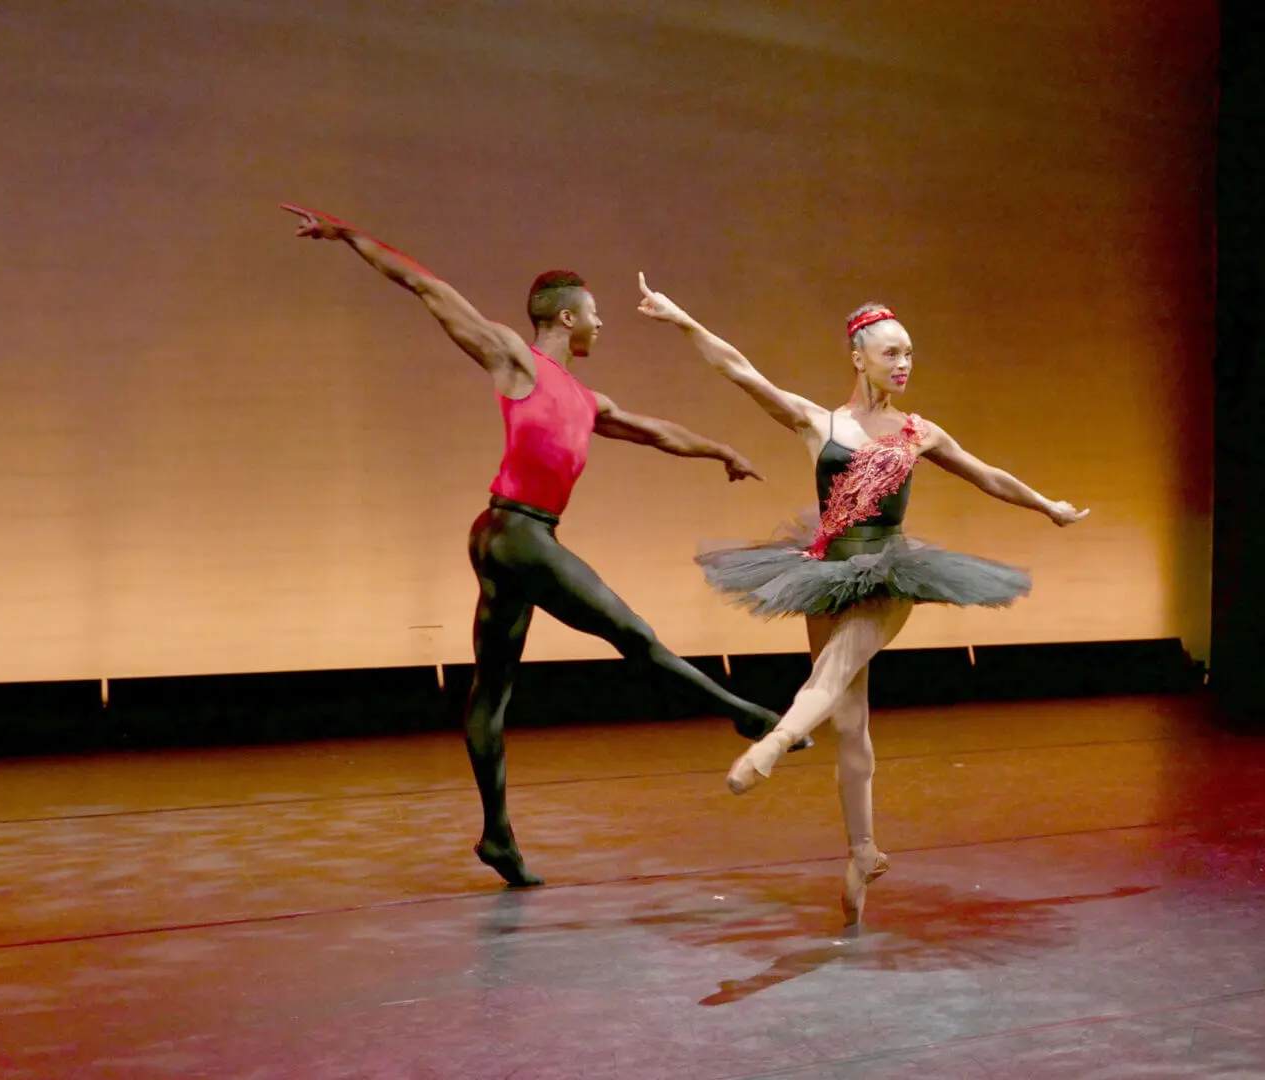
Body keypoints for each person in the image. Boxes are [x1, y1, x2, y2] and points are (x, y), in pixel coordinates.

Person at [280, 205, 805, 888]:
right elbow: (427, 288)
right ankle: (744, 715)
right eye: (594, 313)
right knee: (633, 634)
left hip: (514, 539)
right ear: (565, 318)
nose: (601, 323)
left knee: (492, 695)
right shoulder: (513, 359)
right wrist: (349, 235)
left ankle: (497, 837)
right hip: (514, 532)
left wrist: (720, 451)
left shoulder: (587, 400)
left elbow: (654, 431)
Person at [636, 274, 1088, 925]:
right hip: (822, 572)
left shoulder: (918, 433)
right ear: (859, 358)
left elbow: (986, 473)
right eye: (891, 353)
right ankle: (863, 851)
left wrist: (1048, 507)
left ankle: (771, 745)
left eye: (909, 353)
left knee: (832, 672)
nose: (904, 365)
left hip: (889, 576)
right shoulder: (818, 423)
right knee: (850, 722)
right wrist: (681, 319)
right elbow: (740, 370)